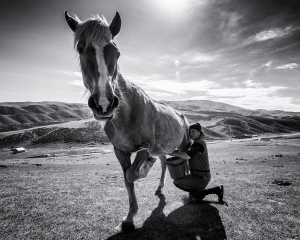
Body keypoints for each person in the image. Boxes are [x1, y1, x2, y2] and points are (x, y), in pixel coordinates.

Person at [169, 122, 224, 202]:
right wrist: (172, 151)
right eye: (189, 132)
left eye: (193, 131)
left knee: (177, 182)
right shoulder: (196, 142)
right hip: (198, 176)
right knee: (182, 182)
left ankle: (201, 193)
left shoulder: (199, 143)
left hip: (201, 177)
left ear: (199, 131)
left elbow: (187, 155)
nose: (190, 134)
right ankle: (216, 190)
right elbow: (184, 152)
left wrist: (171, 152)